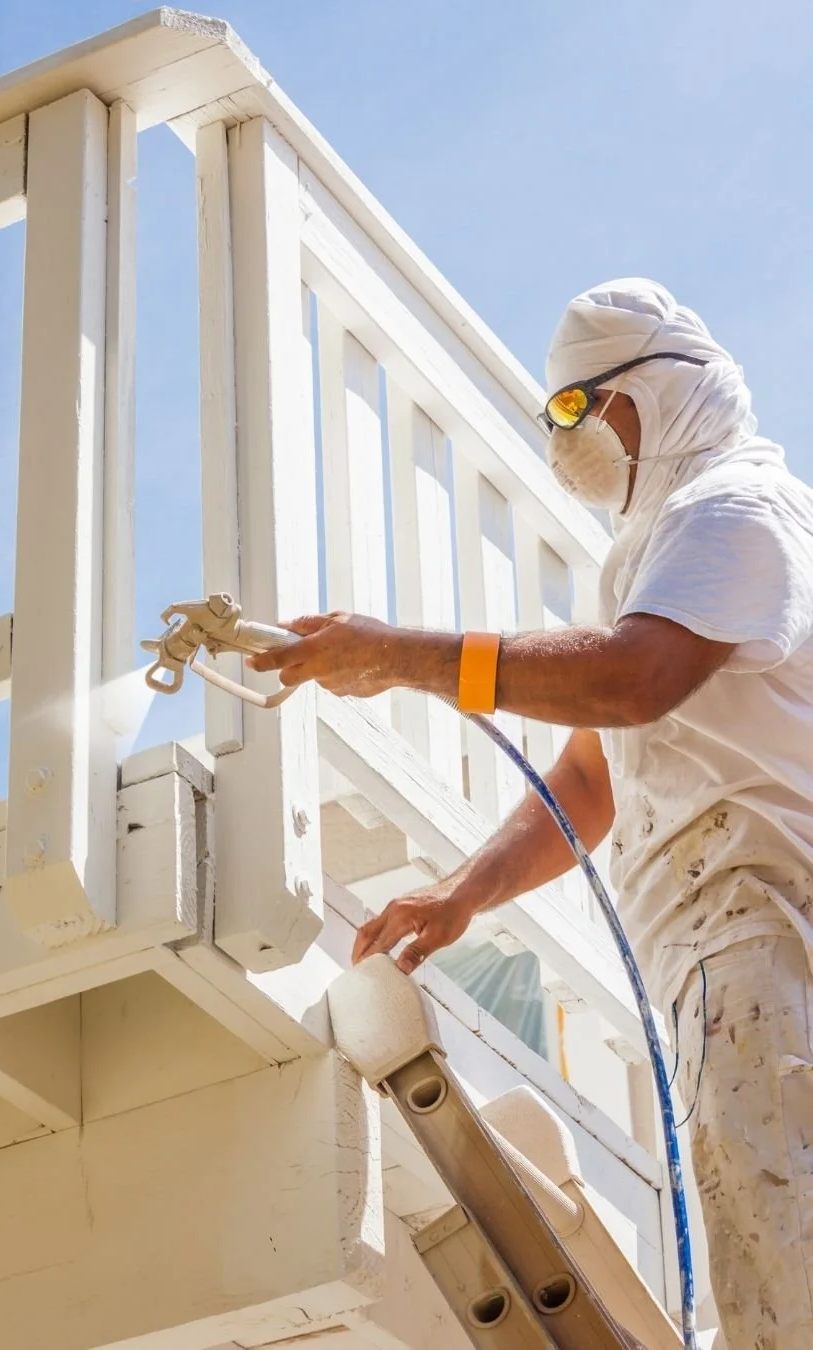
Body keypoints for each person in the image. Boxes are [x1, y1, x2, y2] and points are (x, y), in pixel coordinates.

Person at [249, 278, 813, 1349]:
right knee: (766, 1257)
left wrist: (399, 658)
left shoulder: (732, 511)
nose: (566, 436)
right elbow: (597, 777)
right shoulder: (658, 558)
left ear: (655, 392)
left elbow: (631, 683)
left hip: (765, 922)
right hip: (721, 941)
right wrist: (464, 892)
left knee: (788, 1263)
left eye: (577, 407)